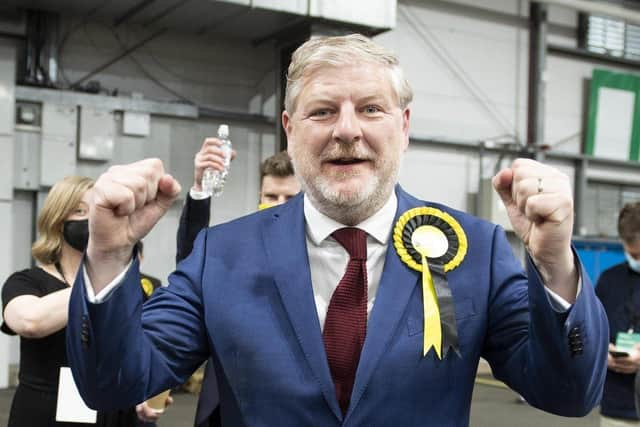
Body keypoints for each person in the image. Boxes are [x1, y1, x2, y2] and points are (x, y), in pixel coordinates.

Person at [67, 34, 608, 426]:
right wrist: (110, 258)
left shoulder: (476, 251)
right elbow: (114, 383)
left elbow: (567, 393)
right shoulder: (220, 254)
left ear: (404, 126)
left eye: (370, 108)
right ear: (289, 129)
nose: (347, 131)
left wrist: (556, 264)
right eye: (323, 111)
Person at [0, 176, 165, 427]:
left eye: (101, 210)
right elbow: (29, 321)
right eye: (79, 211)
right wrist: (101, 280)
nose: (92, 220)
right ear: (57, 221)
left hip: (118, 412)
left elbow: (156, 350)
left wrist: (152, 389)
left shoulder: (140, 286)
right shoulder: (27, 282)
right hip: (46, 412)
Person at [176, 146, 300, 427]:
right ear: (259, 197)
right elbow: (191, 260)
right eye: (271, 196)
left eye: (290, 198)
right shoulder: (236, 246)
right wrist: (200, 189)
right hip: (230, 404)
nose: (279, 204)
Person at [597, 201, 640, 426]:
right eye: (633, 254)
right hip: (615, 407)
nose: (637, 260)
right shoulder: (608, 280)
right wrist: (603, 352)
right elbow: (588, 332)